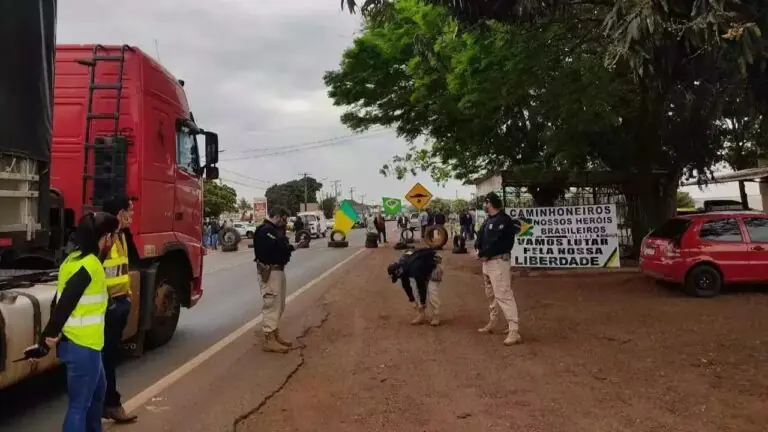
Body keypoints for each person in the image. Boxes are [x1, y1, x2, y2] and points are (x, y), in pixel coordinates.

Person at [27, 212, 119, 432]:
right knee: (79, 406)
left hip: (85, 345)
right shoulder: (91, 265)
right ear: (105, 237)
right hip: (83, 346)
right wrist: (47, 337)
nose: (116, 241)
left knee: (99, 392)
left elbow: (60, 299)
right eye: (115, 236)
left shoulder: (72, 259)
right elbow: (66, 300)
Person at [100, 195, 140, 423]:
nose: (133, 215)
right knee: (104, 358)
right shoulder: (102, 240)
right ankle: (110, 404)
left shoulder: (122, 237)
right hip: (107, 308)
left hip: (118, 304)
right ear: (119, 213)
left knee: (109, 356)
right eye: (130, 210)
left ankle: (109, 403)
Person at [474, 192, 522, 346]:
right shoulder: (488, 220)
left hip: (498, 262)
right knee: (491, 295)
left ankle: (514, 330)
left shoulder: (505, 221)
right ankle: (493, 322)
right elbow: (480, 237)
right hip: (487, 263)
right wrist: (478, 250)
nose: (484, 205)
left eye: (485, 202)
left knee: (504, 294)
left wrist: (484, 254)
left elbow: (501, 243)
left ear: (490, 203)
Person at [252, 206, 295, 353]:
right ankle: (269, 339)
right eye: (283, 219)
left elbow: (281, 247)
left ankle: (275, 335)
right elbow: (275, 250)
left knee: (279, 305)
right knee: (271, 304)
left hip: (278, 271)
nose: (284, 222)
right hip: (270, 272)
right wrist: (284, 244)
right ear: (277, 216)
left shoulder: (273, 231)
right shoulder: (265, 231)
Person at [387, 248, 443, 326]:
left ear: (398, 271)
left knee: (432, 290)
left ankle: (436, 316)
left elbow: (421, 285)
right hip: (423, 265)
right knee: (418, 292)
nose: (399, 278)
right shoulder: (402, 267)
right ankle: (421, 315)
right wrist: (412, 300)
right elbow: (406, 284)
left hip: (435, 262)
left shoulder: (414, 268)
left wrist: (422, 303)